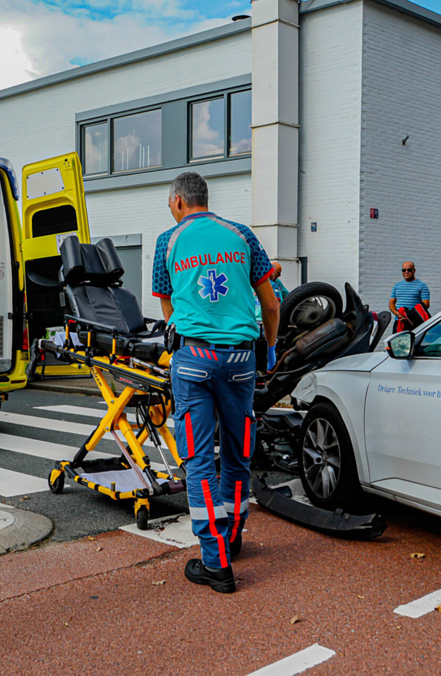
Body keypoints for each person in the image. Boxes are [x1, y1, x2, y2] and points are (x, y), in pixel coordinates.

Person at [152, 171, 280, 593]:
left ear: (177, 202)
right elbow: (270, 302)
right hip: (242, 357)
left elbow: (168, 305)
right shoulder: (242, 235)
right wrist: (270, 349)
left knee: (199, 460)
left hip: (193, 359)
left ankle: (216, 562)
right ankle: (233, 536)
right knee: (238, 450)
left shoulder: (166, 242)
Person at [389, 261, 430, 333]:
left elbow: (426, 304)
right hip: (399, 322)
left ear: (414, 271)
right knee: (397, 343)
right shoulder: (397, 286)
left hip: (416, 323)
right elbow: (391, 302)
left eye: (409, 270)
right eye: (404, 270)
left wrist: (409, 316)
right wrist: (397, 313)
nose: (406, 272)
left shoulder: (422, 285)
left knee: (415, 344)